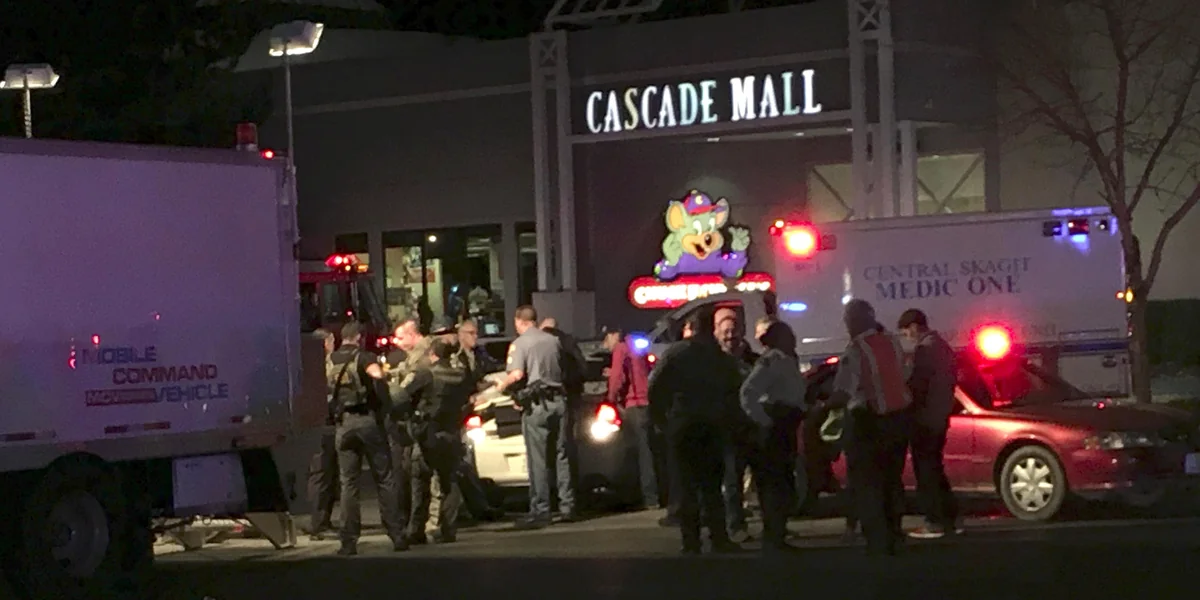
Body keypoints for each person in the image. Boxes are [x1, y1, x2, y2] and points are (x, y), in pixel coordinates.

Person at [648, 308, 744, 555]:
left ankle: (691, 540)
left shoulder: (676, 353)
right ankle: (719, 537)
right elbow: (735, 390)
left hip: (683, 425)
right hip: (713, 425)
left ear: (691, 327)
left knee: (686, 485)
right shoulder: (719, 357)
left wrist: (661, 420)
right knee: (712, 486)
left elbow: (656, 388)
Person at [825, 300, 913, 556]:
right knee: (892, 481)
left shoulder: (856, 350)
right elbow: (904, 374)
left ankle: (877, 539)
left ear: (854, 322)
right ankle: (895, 533)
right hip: (898, 420)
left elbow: (843, 392)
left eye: (847, 320)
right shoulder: (892, 342)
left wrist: (821, 407)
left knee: (868, 484)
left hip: (869, 423)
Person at [491, 305, 577, 529]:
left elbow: (517, 374)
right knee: (561, 455)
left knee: (538, 459)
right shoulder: (553, 341)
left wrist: (502, 385)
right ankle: (567, 506)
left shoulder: (520, 344)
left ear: (519, 321)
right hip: (559, 402)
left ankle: (541, 509)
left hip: (537, 406)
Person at [328, 322, 408, 555]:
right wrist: (384, 378)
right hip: (367, 422)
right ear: (359, 337)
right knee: (384, 478)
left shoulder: (331, 360)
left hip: (343, 424)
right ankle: (396, 534)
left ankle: (348, 541)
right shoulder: (364, 357)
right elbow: (376, 374)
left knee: (348, 484)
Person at [739, 320, 807, 554]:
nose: (794, 339)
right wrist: (765, 421)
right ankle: (773, 537)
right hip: (775, 429)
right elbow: (748, 393)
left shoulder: (786, 360)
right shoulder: (772, 361)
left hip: (786, 426)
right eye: (788, 335)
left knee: (783, 482)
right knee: (774, 485)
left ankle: (778, 534)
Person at [400, 339, 474, 544]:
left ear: (432, 354)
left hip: (428, 434)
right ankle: (448, 529)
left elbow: (403, 396)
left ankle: (416, 530)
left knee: (420, 481)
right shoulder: (460, 375)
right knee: (450, 482)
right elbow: (469, 397)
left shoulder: (427, 374)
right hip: (452, 432)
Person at [898, 309, 961, 539]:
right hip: (940, 416)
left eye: (906, 332)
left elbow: (919, 385)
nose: (907, 338)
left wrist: (906, 404)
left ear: (914, 326)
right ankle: (949, 518)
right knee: (935, 468)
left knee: (926, 471)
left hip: (925, 418)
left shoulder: (925, 349)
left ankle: (934, 521)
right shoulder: (943, 346)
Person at [714, 306, 759, 543]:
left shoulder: (752, 359)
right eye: (725, 332)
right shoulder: (714, 362)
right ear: (716, 333)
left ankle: (773, 527)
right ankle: (735, 526)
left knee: (761, 479)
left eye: (733, 331)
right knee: (732, 480)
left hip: (752, 425)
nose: (730, 336)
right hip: (727, 428)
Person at [604, 327, 659, 510]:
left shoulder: (621, 348)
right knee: (649, 449)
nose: (606, 345)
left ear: (613, 335)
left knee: (638, 452)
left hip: (634, 404)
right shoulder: (638, 346)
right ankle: (655, 494)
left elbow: (618, 378)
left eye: (606, 340)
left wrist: (611, 398)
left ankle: (648, 497)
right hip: (648, 402)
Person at [307, 328, 340, 541]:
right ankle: (318, 524)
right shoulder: (319, 366)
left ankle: (323, 520)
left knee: (327, 474)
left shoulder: (312, 364)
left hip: (319, 423)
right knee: (321, 474)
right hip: (321, 424)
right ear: (326, 343)